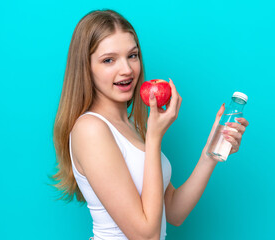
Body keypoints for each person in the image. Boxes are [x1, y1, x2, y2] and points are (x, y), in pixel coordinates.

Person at [52, 9, 249, 240]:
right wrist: (155, 138)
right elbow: (146, 236)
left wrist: (210, 154)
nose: (126, 69)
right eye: (109, 60)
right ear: (86, 67)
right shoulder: (91, 130)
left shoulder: (133, 126)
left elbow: (173, 212)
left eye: (132, 55)